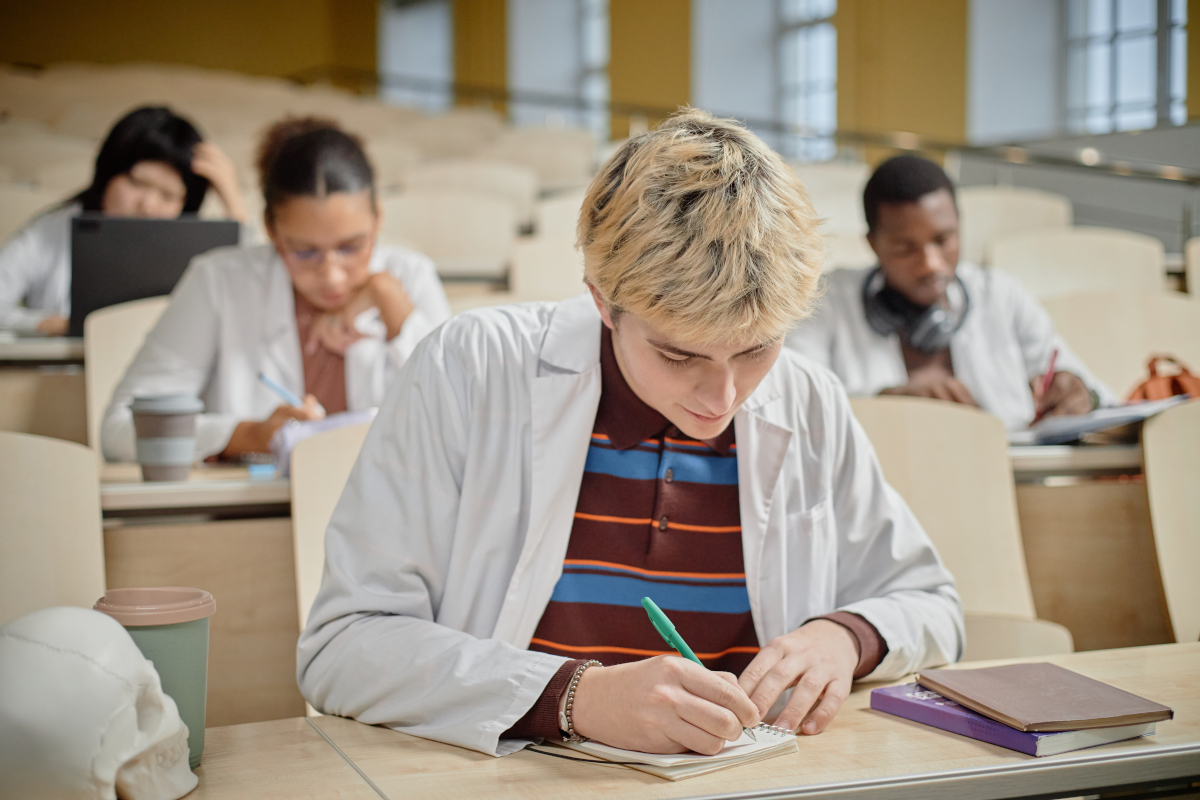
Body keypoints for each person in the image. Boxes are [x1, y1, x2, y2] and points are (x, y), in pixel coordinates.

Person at [297, 111, 962, 758]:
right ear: (601, 302)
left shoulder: (808, 396)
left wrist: (845, 637)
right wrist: (574, 698)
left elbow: (932, 605)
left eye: (757, 350)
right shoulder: (470, 369)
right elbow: (343, 648)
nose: (723, 397)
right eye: (679, 355)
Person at [101, 117, 451, 462]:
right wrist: (249, 436)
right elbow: (119, 429)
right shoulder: (218, 281)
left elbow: (463, 424)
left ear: (378, 218)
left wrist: (392, 304)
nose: (332, 276)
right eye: (304, 251)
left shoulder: (410, 276)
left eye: (352, 247)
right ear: (270, 229)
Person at [786, 155, 1115, 430]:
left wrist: (1080, 392)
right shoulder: (826, 301)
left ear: (960, 225)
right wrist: (886, 405)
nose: (931, 264)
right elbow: (790, 398)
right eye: (905, 248)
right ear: (872, 244)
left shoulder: (1001, 296)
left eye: (944, 240)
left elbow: (1097, 394)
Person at [0, 106, 246, 335]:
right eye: (137, 183)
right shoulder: (50, 230)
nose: (148, 206)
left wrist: (233, 203)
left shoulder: (195, 244)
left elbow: (248, 300)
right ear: (108, 173)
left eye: (168, 195)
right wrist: (54, 325)